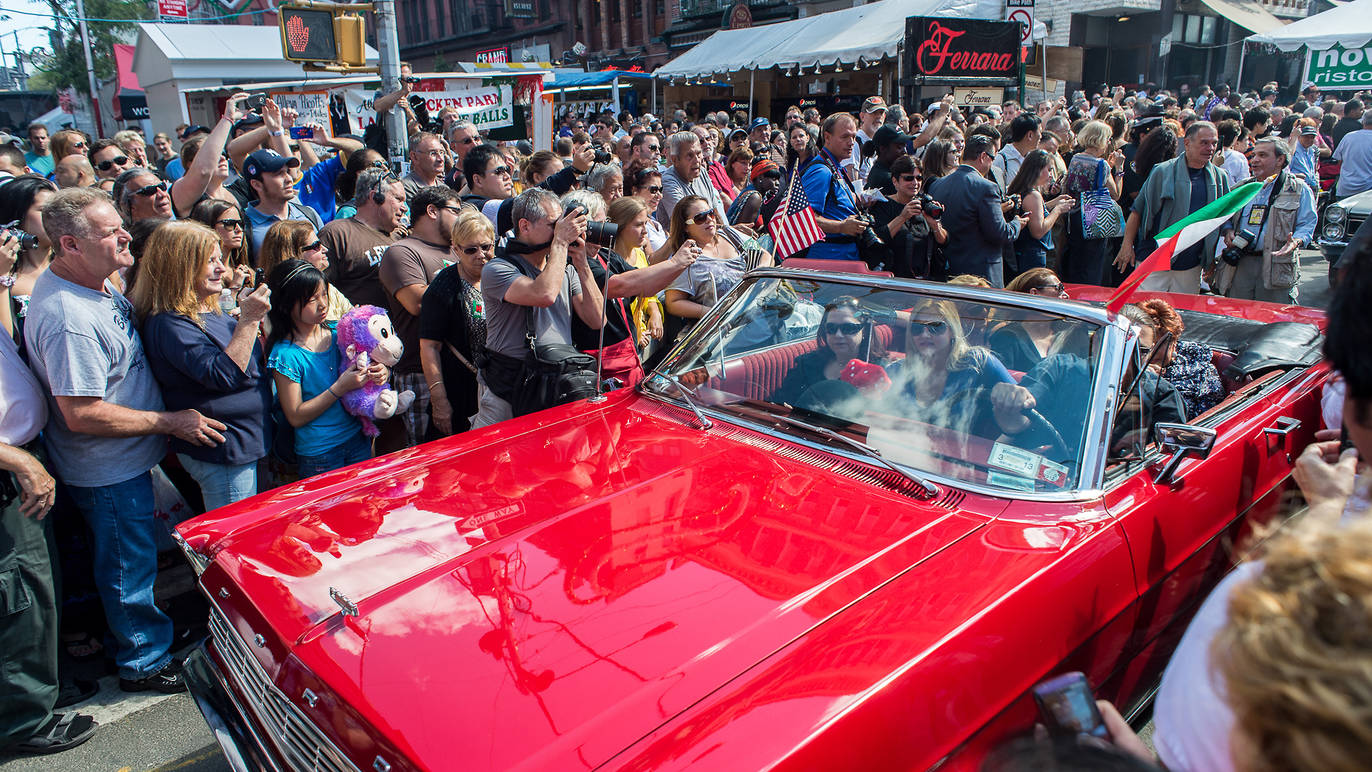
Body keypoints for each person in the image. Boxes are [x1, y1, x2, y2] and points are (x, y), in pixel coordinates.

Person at [25, 187, 227, 694]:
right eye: (110, 230)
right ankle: (143, 659)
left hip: (133, 458)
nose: (124, 235)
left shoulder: (96, 282)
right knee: (126, 565)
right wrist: (169, 421)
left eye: (121, 224)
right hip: (108, 467)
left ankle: (149, 634)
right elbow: (81, 413)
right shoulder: (68, 318)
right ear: (69, 245)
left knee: (136, 557)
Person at [0, 224, 96, 754]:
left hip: (24, 461)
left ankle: (38, 693)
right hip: (10, 468)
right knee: (18, 595)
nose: (12, 240)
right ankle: (23, 720)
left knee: (37, 588)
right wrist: (15, 457)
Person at [131, 221, 272, 509]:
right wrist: (249, 320)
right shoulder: (169, 323)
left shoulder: (209, 308)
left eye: (220, 259)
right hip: (223, 454)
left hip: (247, 444)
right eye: (210, 261)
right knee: (233, 540)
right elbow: (224, 375)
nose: (222, 268)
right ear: (179, 267)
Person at [473, 188, 604, 428]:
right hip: (508, 390)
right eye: (555, 225)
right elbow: (543, 294)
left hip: (553, 386)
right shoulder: (497, 269)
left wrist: (582, 264)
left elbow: (597, 321)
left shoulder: (565, 268)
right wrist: (561, 243)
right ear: (524, 226)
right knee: (495, 461)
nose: (562, 230)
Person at [265, 260, 385, 477]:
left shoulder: (339, 332)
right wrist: (339, 388)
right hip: (321, 454)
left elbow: (372, 363)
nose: (322, 304)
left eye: (324, 294)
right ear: (286, 304)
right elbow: (295, 415)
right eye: (312, 299)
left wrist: (380, 373)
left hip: (358, 438)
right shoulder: (285, 355)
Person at [568, 192, 695, 386]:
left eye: (606, 222)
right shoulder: (575, 262)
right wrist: (675, 262)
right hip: (600, 365)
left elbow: (647, 286)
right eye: (597, 225)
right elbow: (620, 285)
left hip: (626, 358)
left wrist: (680, 264)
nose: (605, 231)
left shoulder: (604, 255)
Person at [378, 186, 465, 449]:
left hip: (461, 369)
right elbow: (418, 302)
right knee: (429, 456)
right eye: (456, 212)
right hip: (420, 372)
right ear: (432, 211)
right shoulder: (403, 252)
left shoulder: (458, 251)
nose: (461, 219)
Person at [1117, 121, 1230, 294]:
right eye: (1204, 143)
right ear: (1187, 143)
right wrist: (1127, 245)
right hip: (1154, 257)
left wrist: (1228, 232)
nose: (1210, 148)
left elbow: (1224, 215)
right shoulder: (1162, 171)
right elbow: (1138, 211)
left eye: (1214, 143)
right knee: (1147, 312)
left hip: (1191, 264)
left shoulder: (1219, 177)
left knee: (1180, 315)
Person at [883, 297, 1016, 435]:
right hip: (902, 452)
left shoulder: (978, 362)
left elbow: (1023, 409)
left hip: (964, 454)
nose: (925, 334)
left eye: (935, 327)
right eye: (917, 328)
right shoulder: (897, 371)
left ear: (952, 330)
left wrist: (1017, 397)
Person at [1217, 137, 1316, 304]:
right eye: (1254, 155)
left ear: (1280, 159)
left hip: (1276, 264)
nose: (1254, 160)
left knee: (1272, 321)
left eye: (1262, 155)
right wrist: (1228, 230)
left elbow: (1307, 224)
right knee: (1238, 317)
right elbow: (1224, 215)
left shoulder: (1298, 189)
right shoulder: (1243, 188)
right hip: (1241, 264)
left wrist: (1295, 242)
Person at [419, 209, 492, 437]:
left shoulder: (501, 275)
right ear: (456, 249)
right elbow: (429, 346)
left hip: (498, 388)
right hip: (460, 390)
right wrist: (439, 398)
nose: (481, 255)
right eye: (471, 249)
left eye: (486, 247)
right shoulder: (444, 287)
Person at [925, 134, 1026, 287]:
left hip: (949, 270)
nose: (992, 164)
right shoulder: (986, 187)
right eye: (992, 158)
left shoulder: (937, 184)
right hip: (981, 278)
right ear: (983, 156)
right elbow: (1000, 233)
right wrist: (1017, 223)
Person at [663, 195, 772, 335]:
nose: (709, 219)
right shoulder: (684, 257)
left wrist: (759, 272)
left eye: (711, 213)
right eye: (700, 218)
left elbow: (764, 254)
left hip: (762, 314)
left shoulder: (731, 233)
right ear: (685, 227)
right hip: (729, 333)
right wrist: (709, 314)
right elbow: (673, 303)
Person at [772, 295, 887, 408]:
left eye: (848, 328)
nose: (838, 335)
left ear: (865, 331)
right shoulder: (806, 364)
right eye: (831, 328)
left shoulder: (878, 370)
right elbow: (781, 401)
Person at [318, 166, 404, 309]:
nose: (404, 207)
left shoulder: (399, 237)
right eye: (398, 199)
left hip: (394, 328)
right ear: (375, 197)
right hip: (357, 327)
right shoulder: (337, 233)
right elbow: (320, 289)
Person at [1126, 299, 1223, 419]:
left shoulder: (1202, 371)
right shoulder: (1125, 366)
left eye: (1156, 345)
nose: (1149, 354)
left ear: (1174, 341)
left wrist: (1155, 383)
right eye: (1143, 348)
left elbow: (1207, 420)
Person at [1059, 120, 1125, 286]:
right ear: (1100, 139)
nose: (1109, 143)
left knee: (1076, 263)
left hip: (1074, 216)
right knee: (1092, 266)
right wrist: (1119, 169)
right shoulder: (1101, 164)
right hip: (1095, 218)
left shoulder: (1075, 158)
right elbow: (1115, 194)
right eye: (1108, 139)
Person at [800, 113, 869, 262]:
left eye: (854, 137)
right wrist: (842, 227)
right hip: (827, 263)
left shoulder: (835, 167)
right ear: (827, 137)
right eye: (845, 137)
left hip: (844, 259)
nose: (851, 143)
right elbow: (805, 219)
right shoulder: (821, 171)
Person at [0, 176, 57, 354]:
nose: (56, 217)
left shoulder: (77, 261)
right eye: (45, 210)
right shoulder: (6, 277)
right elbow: (7, 344)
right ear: (16, 218)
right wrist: (2, 278)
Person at [867, 155, 947, 278]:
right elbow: (876, 241)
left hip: (926, 280)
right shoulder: (883, 205)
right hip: (894, 281)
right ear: (895, 181)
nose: (915, 183)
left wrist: (935, 225)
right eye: (909, 178)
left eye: (919, 178)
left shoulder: (925, 204)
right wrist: (902, 217)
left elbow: (944, 241)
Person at [257, 219, 351, 323]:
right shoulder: (267, 302)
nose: (325, 249)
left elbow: (352, 315)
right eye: (316, 246)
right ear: (292, 254)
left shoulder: (327, 288)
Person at [607, 196, 665, 356]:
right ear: (620, 227)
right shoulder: (607, 261)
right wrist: (636, 334)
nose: (645, 231)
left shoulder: (639, 254)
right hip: (622, 344)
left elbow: (648, 292)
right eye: (639, 225)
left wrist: (655, 312)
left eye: (646, 223)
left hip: (642, 334)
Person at [242, 149, 323, 261]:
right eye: (279, 174)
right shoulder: (244, 225)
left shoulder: (308, 213)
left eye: (287, 172)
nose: (289, 179)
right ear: (257, 184)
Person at [990, 268, 1072, 372]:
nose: (1066, 295)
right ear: (1034, 294)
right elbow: (999, 383)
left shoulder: (1069, 334)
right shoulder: (1007, 337)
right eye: (1059, 288)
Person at [1006, 150, 1074, 272]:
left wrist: (1054, 202)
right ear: (1037, 170)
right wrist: (1057, 210)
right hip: (1032, 257)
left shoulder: (1022, 189)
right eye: (1049, 170)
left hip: (1022, 254)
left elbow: (1034, 213)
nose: (1051, 175)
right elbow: (1038, 231)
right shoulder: (1033, 195)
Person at [658, 131, 730, 230]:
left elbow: (715, 212)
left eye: (699, 153)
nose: (697, 160)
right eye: (689, 155)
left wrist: (729, 231)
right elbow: (689, 225)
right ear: (674, 159)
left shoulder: (702, 173)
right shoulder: (668, 182)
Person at [189, 198, 252, 296]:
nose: (238, 229)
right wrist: (235, 287)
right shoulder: (199, 275)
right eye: (229, 224)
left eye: (240, 223)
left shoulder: (244, 271)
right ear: (208, 226)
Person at [1332, 110, 1372, 200]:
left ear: (1363, 121)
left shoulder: (1348, 137)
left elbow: (1339, 161)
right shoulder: (1349, 136)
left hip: (1345, 188)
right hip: (1367, 191)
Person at [993, 114, 1042, 185]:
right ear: (1030, 135)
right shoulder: (1001, 160)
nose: (1041, 136)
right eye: (1040, 132)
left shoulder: (1032, 159)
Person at [864, 126, 913, 197]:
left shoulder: (885, 171)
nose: (904, 151)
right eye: (899, 147)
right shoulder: (885, 178)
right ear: (883, 149)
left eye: (905, 146)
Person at [402, 132, 447, 200]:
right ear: (414, 157)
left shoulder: (444, 188)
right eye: (433, 153)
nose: (440, 159)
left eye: (441, 152)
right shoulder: (405, 188)